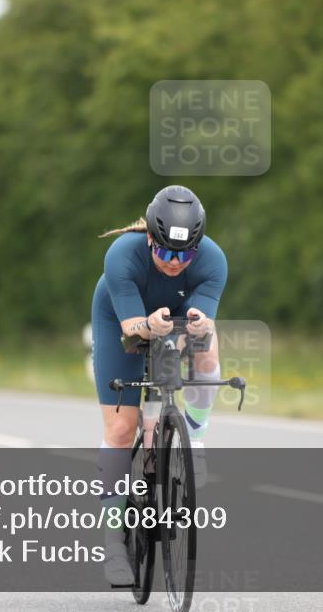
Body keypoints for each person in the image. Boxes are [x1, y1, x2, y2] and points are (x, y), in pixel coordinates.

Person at [91, 185, 227, 585]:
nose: (173, 263)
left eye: (184, 255)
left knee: (208, 353)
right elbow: (134, 333)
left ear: (198, 249)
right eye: (165, 252)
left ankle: (195, 436)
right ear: (149, 238)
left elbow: (202, 321)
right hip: (122, 320)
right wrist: (151, 327)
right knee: (120, 429)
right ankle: (114, 540)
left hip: (175, 320)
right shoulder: (121, 255)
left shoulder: (215, 261)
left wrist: (195, 328)